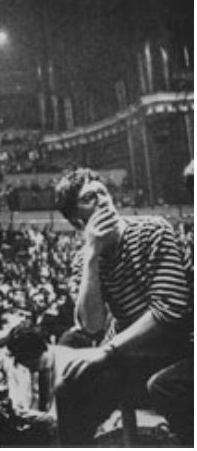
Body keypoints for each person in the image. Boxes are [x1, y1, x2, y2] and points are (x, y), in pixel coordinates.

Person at [53, 168, 193, 446]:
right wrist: (92, 257)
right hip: (133, 353)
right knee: (68, 388)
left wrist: (107, 351)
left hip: (179, 346)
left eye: (102, 192)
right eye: (89, 198)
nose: (103, 200)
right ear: (77, 220)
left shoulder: (153, 230)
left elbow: (169, 311)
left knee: (163, 385)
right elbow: (91, 326)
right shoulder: (84, 261)